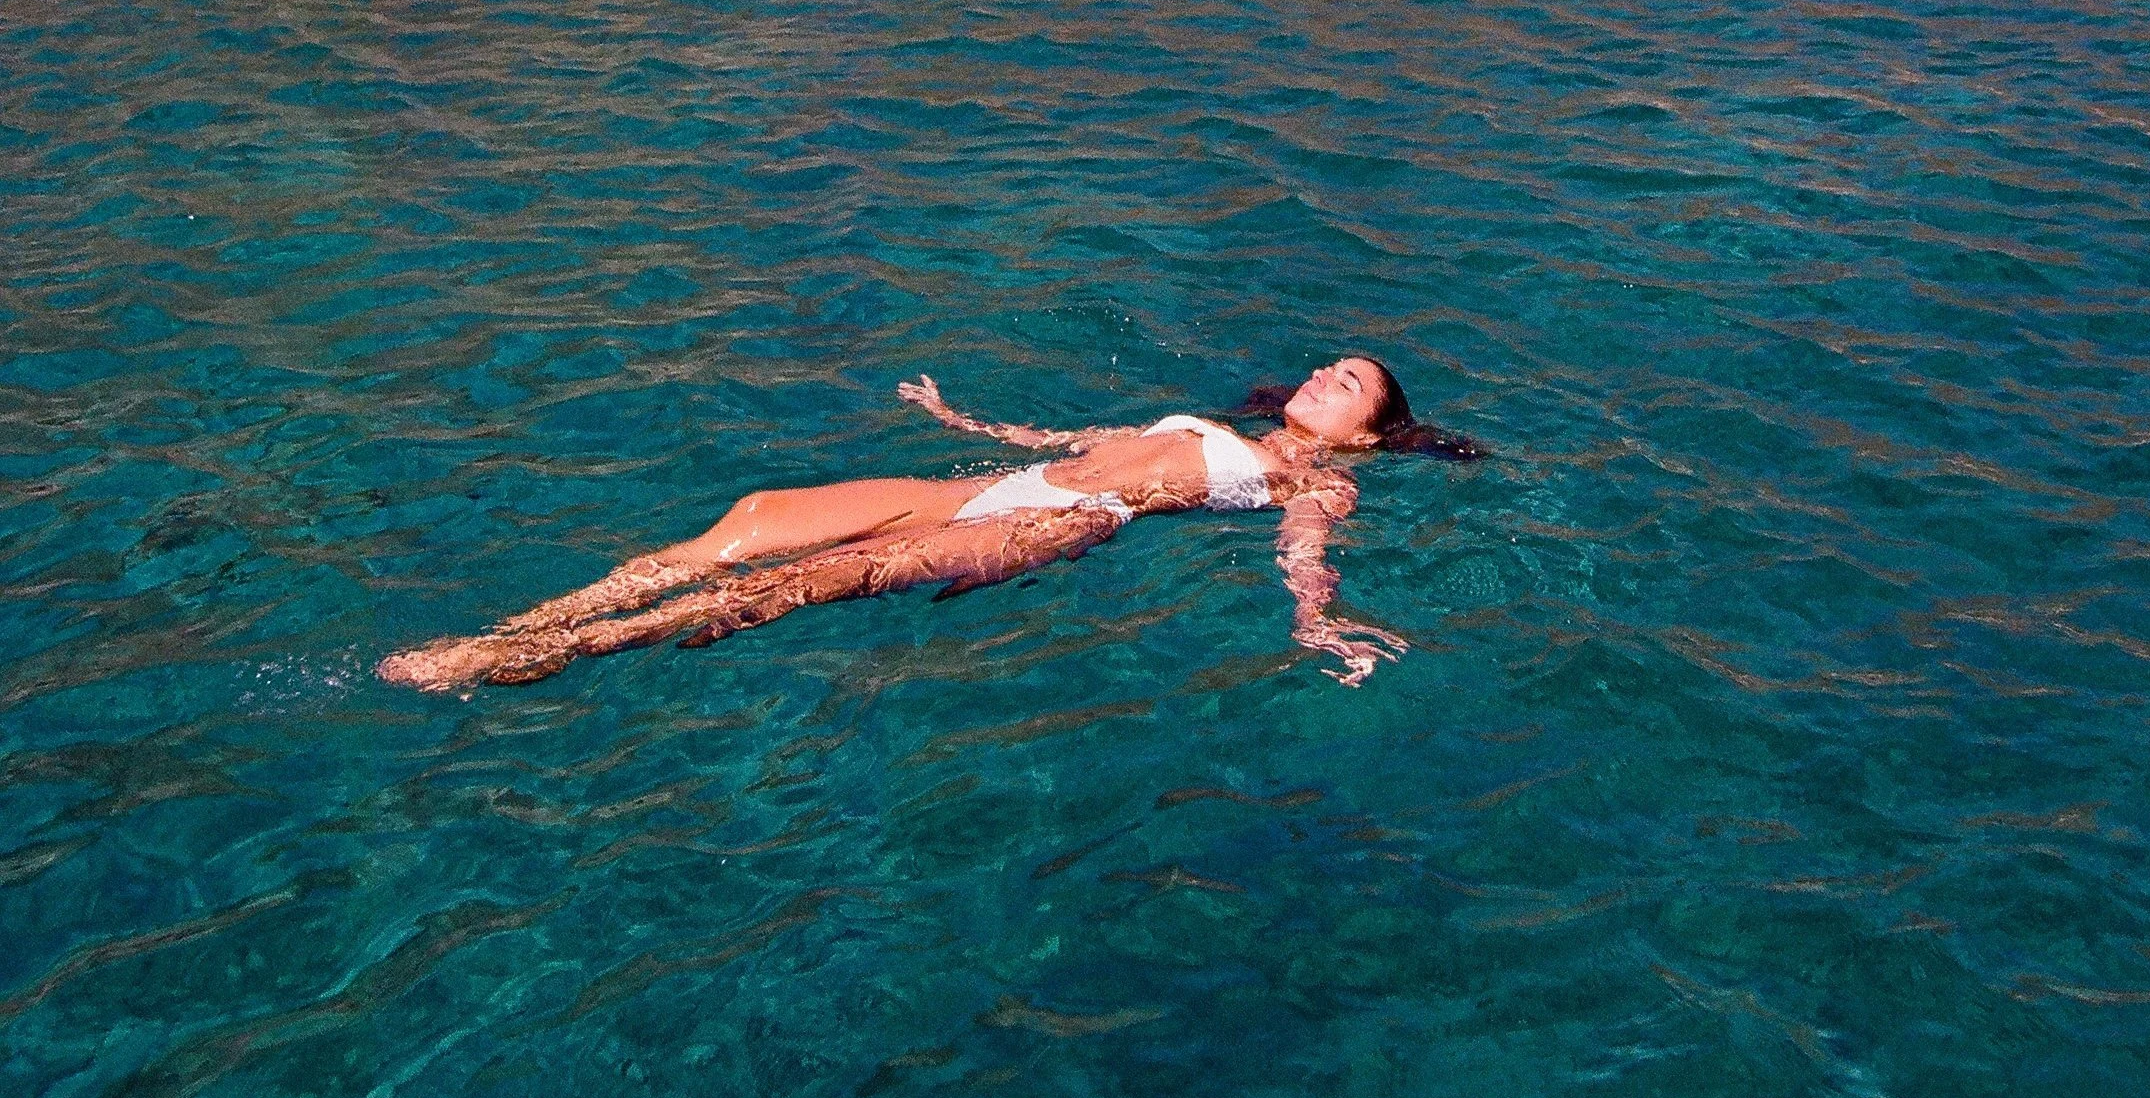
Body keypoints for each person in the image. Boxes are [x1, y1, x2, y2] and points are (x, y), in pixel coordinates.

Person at [378, 353, 1481, 697]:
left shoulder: (1316, 484)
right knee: (755, 519)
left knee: (791, 585)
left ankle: (507, 660)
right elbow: (1066, 432)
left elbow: (1306, 559)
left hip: (1059, 526)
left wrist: (1315, 627)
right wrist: (957, 417)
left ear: (1373, 431)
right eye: (1328, 364)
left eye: (1351, 384)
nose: (1326, 377)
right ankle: (543, 613)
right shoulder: (1199, 414)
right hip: (1001, 490)